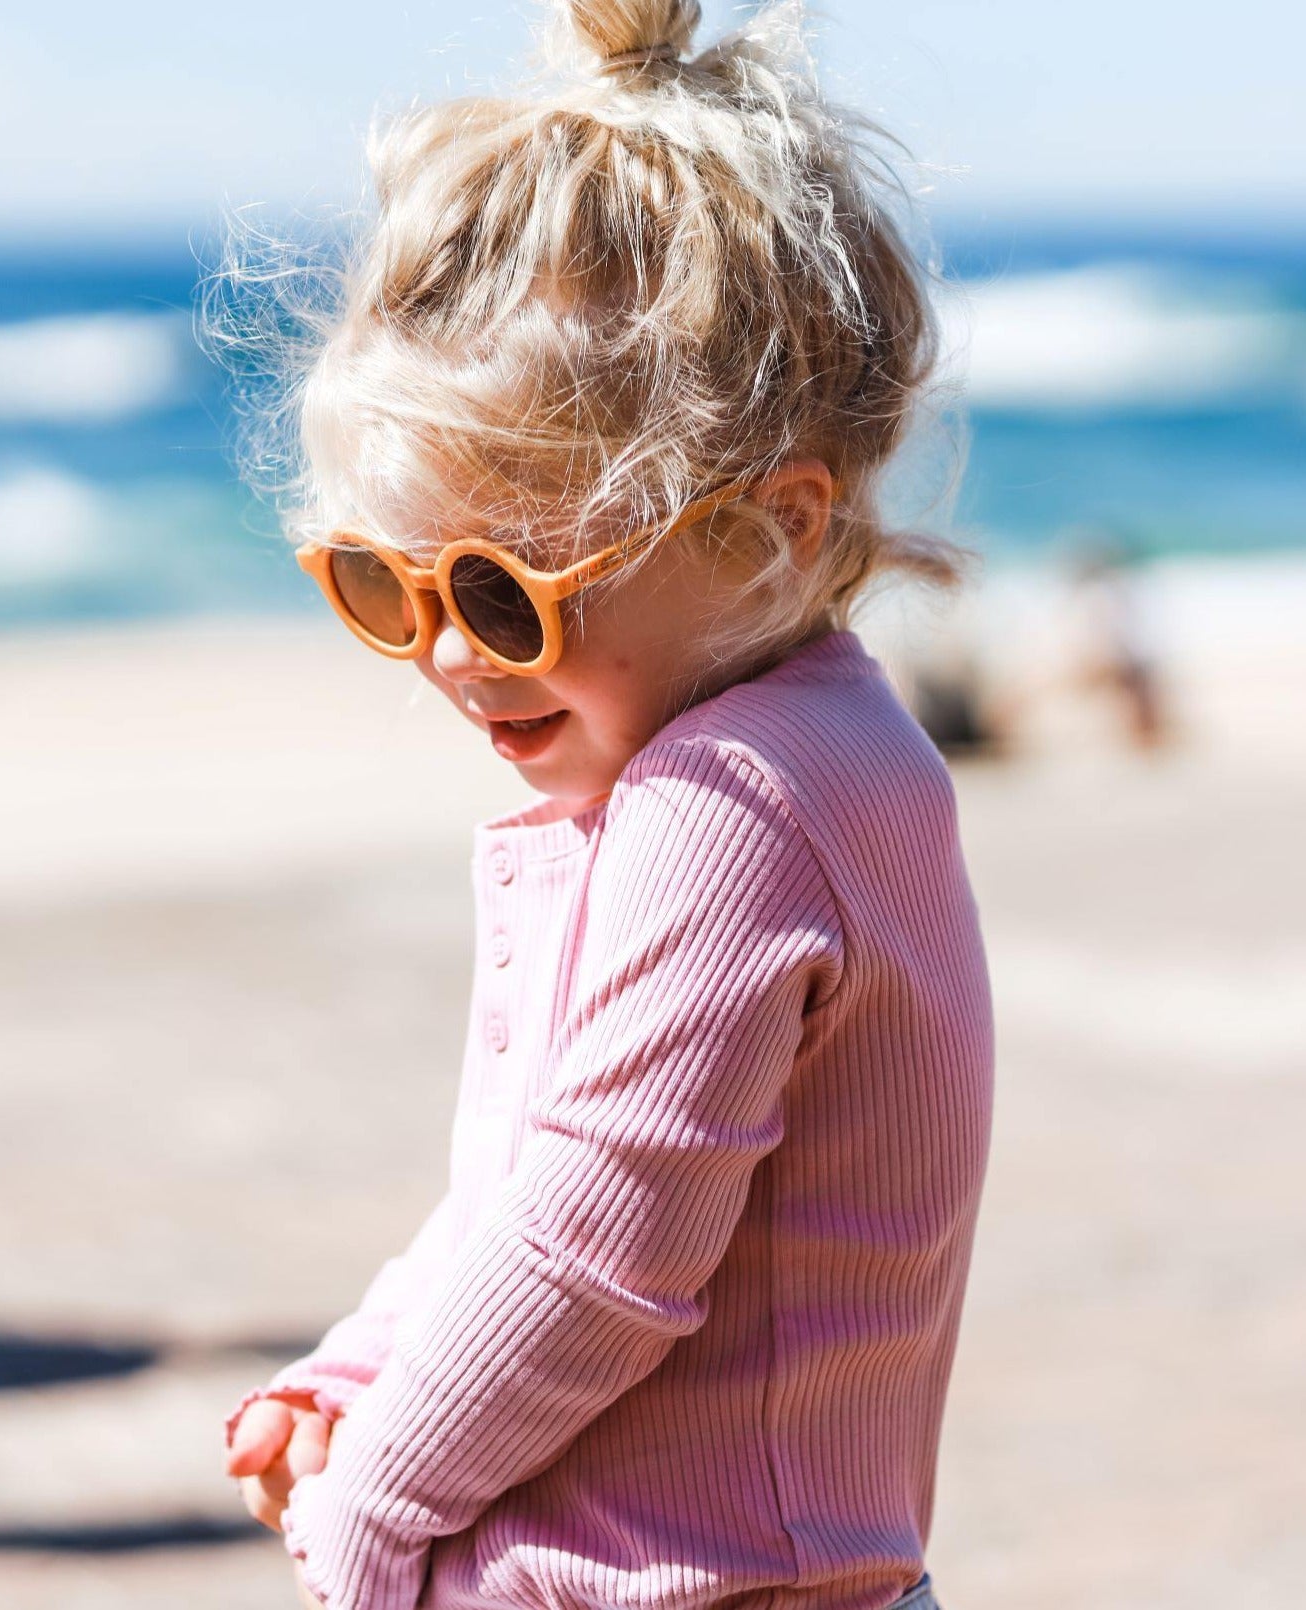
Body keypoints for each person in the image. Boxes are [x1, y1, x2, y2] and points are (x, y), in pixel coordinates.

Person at [214, 3, 995, 1607]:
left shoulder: (728, 807)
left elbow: (590, 1254)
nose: (446, 654)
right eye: (385, 584)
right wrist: (364, 1363)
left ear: (768, 530)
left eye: (505, 594)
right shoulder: (829, 749)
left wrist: (373, 1506)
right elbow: (523, 1194)